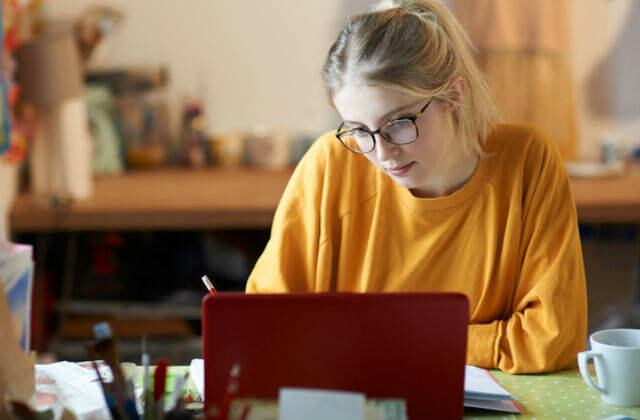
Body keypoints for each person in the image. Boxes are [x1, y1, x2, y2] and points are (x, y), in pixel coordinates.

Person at [246, 0, 587, 374]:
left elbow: (551, 339)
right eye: (359, 130)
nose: (382, 152)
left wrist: (388, 339)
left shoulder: (527, 160)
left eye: (399, 123)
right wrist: (472, 340)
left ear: (454, 95)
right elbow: (267, 323)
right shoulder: (331, 164)